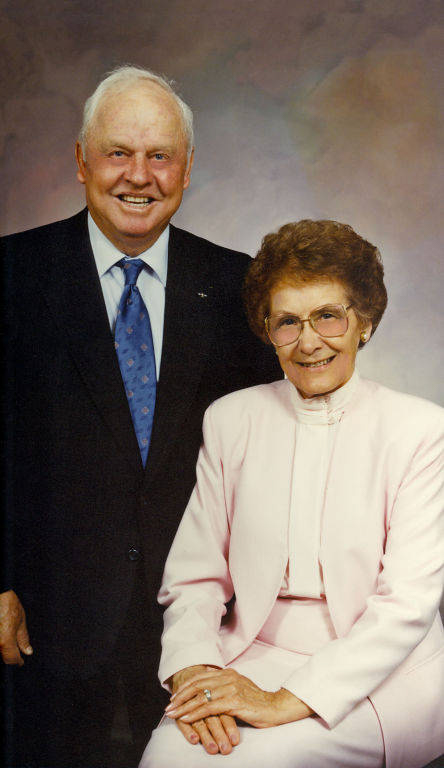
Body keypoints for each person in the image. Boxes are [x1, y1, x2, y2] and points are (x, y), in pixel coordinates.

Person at [0, 65, 280, 767]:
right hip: (41, 627)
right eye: (118, 152)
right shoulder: (10, 278)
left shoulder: (241, 288)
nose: (139, 175)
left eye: (160, 155)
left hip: (201, 634)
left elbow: (271, 462)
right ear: (80, 161)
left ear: (187, 170)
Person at [141, 219, 444, 768]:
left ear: (365, 323)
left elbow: (406, 606)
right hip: (248, 652)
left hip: (380, 672)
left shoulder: (421, 431)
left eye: (328, 316)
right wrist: (195, 670)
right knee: (169, 759)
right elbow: (193, 577)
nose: (308, 342)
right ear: (267, 331)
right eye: (287, 322)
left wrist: (288, 700)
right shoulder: (232, 419)